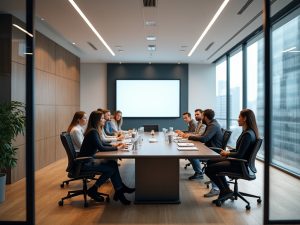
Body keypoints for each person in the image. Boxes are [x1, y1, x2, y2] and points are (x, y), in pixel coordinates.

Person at [78, 111, 135, 205]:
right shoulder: (93, 132)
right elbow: (101, 148)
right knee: (111, 168)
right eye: (102, 118)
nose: (104, 120)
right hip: (85, 163)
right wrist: (117, 147)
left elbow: (102, 144)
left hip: (88, 160)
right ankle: (96, 189)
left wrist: (115, 145)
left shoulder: (94, 130)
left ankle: (120, 189)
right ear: (97, 120)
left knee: (113, 164)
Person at [205, 109, 259, 202]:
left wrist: (228, 153)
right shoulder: (248, 132)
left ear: (245, 118)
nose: (237, 119)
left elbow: (240, 154)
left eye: (239, 117)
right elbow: (241, 150)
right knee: (210, 162)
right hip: (240, 162)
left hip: (240, 165)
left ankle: (224, 190)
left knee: (209, 169)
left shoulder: (247, 135)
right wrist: (228, 152)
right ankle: (226, 190)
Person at [187, 109, 223, 198]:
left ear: (205, 117)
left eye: (202, 115)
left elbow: (204, 139)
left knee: (191, 154)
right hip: (209, 149)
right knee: (189, 153)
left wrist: (189, 137)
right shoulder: (211, 124)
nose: (201, 117)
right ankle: (200, 173)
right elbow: (203, 137)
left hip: (213, 152)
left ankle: (216, 188)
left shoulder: (213, 125)